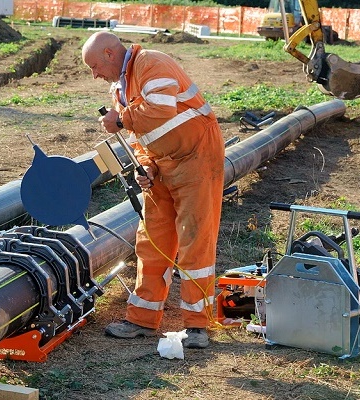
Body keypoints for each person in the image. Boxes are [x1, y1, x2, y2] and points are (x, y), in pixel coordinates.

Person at [81, 31, 224, 348]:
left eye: (94, 66)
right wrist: (146, 167)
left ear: (109, 53)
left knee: (194, 240)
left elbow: (160, 109)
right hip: (163, 163)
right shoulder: (119, 89)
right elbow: (140, 138)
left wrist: (120, 120)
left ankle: (197, 326)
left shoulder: (150, 63)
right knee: (151, 241)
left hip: (196, 157)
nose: (94, 75)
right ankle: (142, 319)